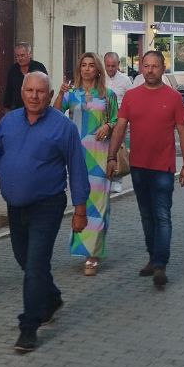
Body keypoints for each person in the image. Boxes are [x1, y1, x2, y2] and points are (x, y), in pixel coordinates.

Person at [0, 71, 88, 353]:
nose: (34, 96)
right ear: (22, 92)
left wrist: (80, 209)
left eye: (40, 91)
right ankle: (51, 298)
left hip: (47, 205)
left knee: (35, 264)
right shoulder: (9, 122)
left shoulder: (63, 127)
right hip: (15, 206)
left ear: (50, 96)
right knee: (24, 259)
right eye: (29, 90)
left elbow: (77, 169)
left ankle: (29, 327)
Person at [107, 50, 184, 288]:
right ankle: (153, 258)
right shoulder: (131, 96)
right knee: (146, 215)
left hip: (163, 167)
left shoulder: (173, 98)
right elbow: (120, 127)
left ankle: (161, 265)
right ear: (141, 68)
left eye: (155, 66)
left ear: (163, 68)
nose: (150, 70)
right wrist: (111, 157)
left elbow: (183, 132)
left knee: (162, 215)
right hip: (138, 166)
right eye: (146, 66)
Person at [55, 53, 118, 275]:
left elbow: (117, 120)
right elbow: (55, 114)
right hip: (77, 155)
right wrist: (60, 93)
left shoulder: (108, 95)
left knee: (98, 204)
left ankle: (93, 255)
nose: (87, 69)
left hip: (100, 156)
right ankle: (83, 247)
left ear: (98, 70)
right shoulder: (71, 94)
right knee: (81, 201)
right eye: (84, 65)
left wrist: (108, 126)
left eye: (92, 65)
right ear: (79, 69)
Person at [103, 52, 133, 193]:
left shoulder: (125, 80)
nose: (110, 69)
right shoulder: (99, 78)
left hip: (120, 121)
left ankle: (118, 179)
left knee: (118, 150)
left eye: (113, 66)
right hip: (103, 120)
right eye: (108, 66)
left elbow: (132, 100)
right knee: (104, 150)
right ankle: (106, 178)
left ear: (118, 65)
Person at [0, 41, 47, 117]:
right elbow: (9, 90)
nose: (20, 58)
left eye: (22, 55)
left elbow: (45, 88)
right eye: (17, 56)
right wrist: (6, 109)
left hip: (36, 108)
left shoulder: (39, 67)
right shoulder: (13, 69)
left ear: (30, 54)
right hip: (17, 110)